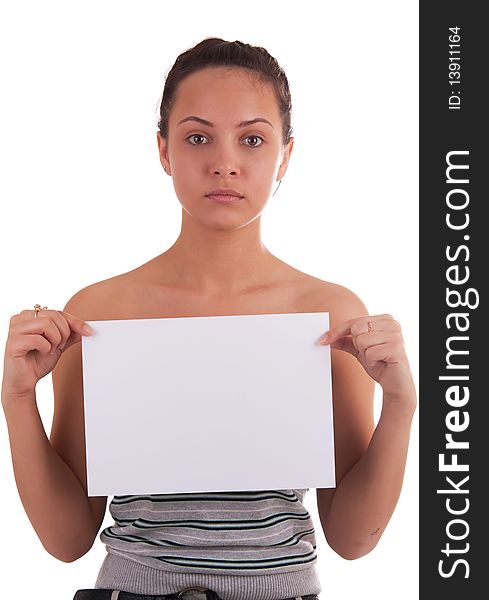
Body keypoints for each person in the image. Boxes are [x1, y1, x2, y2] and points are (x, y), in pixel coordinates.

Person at [1, 37, 417, 600]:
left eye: (252, 139)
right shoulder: (102, 314)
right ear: (164, 151)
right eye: (198, 137)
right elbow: (67, 536)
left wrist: (400, 403)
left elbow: (352, 537)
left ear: (286, 156)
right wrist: (18, 399)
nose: (225, 163)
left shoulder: (327, 315)